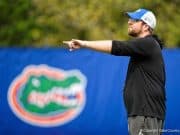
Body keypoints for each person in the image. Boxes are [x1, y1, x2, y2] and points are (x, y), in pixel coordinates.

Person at [63, 8, 166, 135]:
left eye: (134, 20)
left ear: (145, 26)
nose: (129, 22)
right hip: (143, 113)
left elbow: (118, 47)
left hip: (145, 114)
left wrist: (84, 43)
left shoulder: (148, 43)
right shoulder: (145, 47)